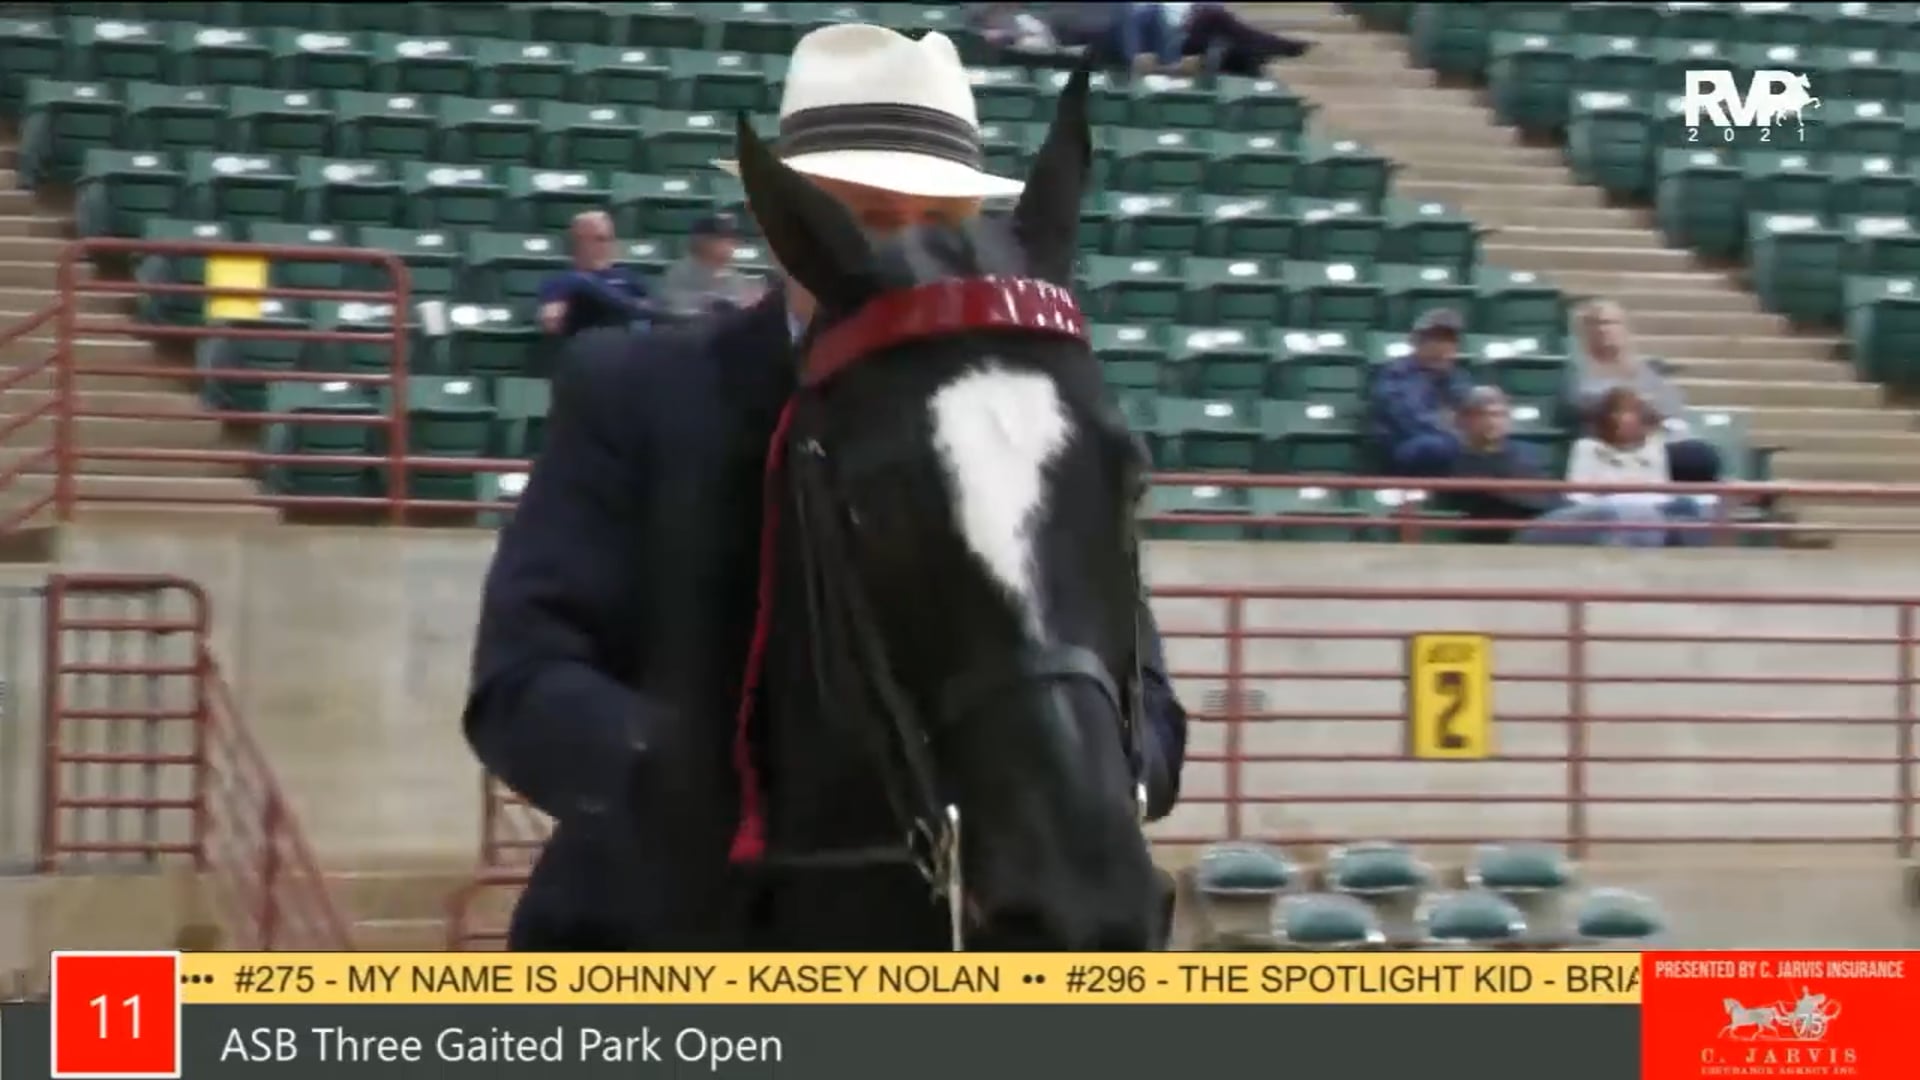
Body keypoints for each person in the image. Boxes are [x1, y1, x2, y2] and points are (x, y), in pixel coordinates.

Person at [464, 24, 1189, 952]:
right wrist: (673, 768)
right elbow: (519, 683)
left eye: (940, 226)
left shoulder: (1014, 423)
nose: (910, 262)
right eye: (874, 224)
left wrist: (1088, 776)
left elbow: (1148, 706)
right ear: (784, 226)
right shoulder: (634, 391)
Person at [1442, 385, 1667, 546]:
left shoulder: (1525, 452)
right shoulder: (1462, 458)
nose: (1493, 421)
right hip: (1517, 532)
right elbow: (1497, 499)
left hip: (1553, 515)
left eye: (1499, 414)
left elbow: (1544, 491)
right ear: (1465, 420)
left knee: (1666, 514)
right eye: (1484, 415)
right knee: (1616, 513)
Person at [1569, 299, 1723, 484]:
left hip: (1661, 442)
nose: (1603, 329)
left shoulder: (1646, 369)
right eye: (1595, 323)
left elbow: (1672, 408)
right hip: (1614, 447)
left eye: (1610, 323)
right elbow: (1586, 403)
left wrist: (1640, 406)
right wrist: (1638, 405)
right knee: (1695, 458)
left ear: (1625, 328)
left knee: (1701, 454)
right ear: (1584, 331)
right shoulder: (1577, 369)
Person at [1565, 386, 1711, 547]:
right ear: (1605, 418)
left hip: (1652, 513)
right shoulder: (1586, 447)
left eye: (1634, 412)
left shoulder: (1655, 448)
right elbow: (1577, 496)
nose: (1628, 419)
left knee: (1687, 508)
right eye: (1620, 412)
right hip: (1605, 514)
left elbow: (1661, 493)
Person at [1368, 308, 1473, 477]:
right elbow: (1409, 420)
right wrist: (1452, 426)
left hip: (1451, 442)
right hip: (1404, 446)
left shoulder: (1458, 376)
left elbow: (1471, 412)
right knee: (1440, 446)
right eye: (1436, 339)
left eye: (1450, 339)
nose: (1444, 346)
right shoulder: (1396, 374)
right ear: (1416, 341)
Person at [535, 211, 654, 340]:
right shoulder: (561, 283)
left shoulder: (628, 278)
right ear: (579, 243)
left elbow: (649, 312)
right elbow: (551, 323)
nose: (606, 246)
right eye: (599, 239)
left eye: (610, 239)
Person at [656, 213, 765, 323]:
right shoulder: (680, 272)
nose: (731, 245)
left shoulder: (735, 276)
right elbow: (673, 306)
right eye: (721, 239)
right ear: (701, 241)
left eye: (732, 240)